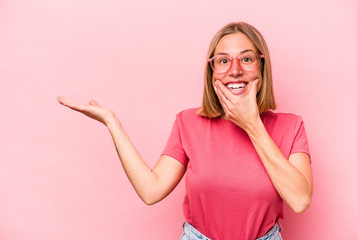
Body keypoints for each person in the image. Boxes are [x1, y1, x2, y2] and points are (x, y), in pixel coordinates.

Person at [57, 22, 313, 240]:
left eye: (246, 59)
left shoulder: (291, 126)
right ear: (212, 72)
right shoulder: (187, 122)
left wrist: (252, 124)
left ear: (261, 66)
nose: (234, 70)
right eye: (223, 61)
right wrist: (112, 122)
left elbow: (300, 200)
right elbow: (151, 190)